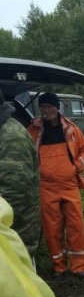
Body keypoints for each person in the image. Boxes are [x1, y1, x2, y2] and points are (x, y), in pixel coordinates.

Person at [28, 92, 84, 278]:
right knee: (51, 228)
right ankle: (59, 266)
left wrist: (76, 167)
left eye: (50, 106)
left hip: (69, 185)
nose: (46, 110)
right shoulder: (33, 128)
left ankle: (79, 267)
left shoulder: (71, 129)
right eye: (43, 107)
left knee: (76, 226)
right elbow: (27, 153)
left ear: (57, 108)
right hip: (45, 187)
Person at [0, 88, 40, 260]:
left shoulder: (11, 137)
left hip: (15, 234)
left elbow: (13, 194)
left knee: (18, 285)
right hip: (6, 232)